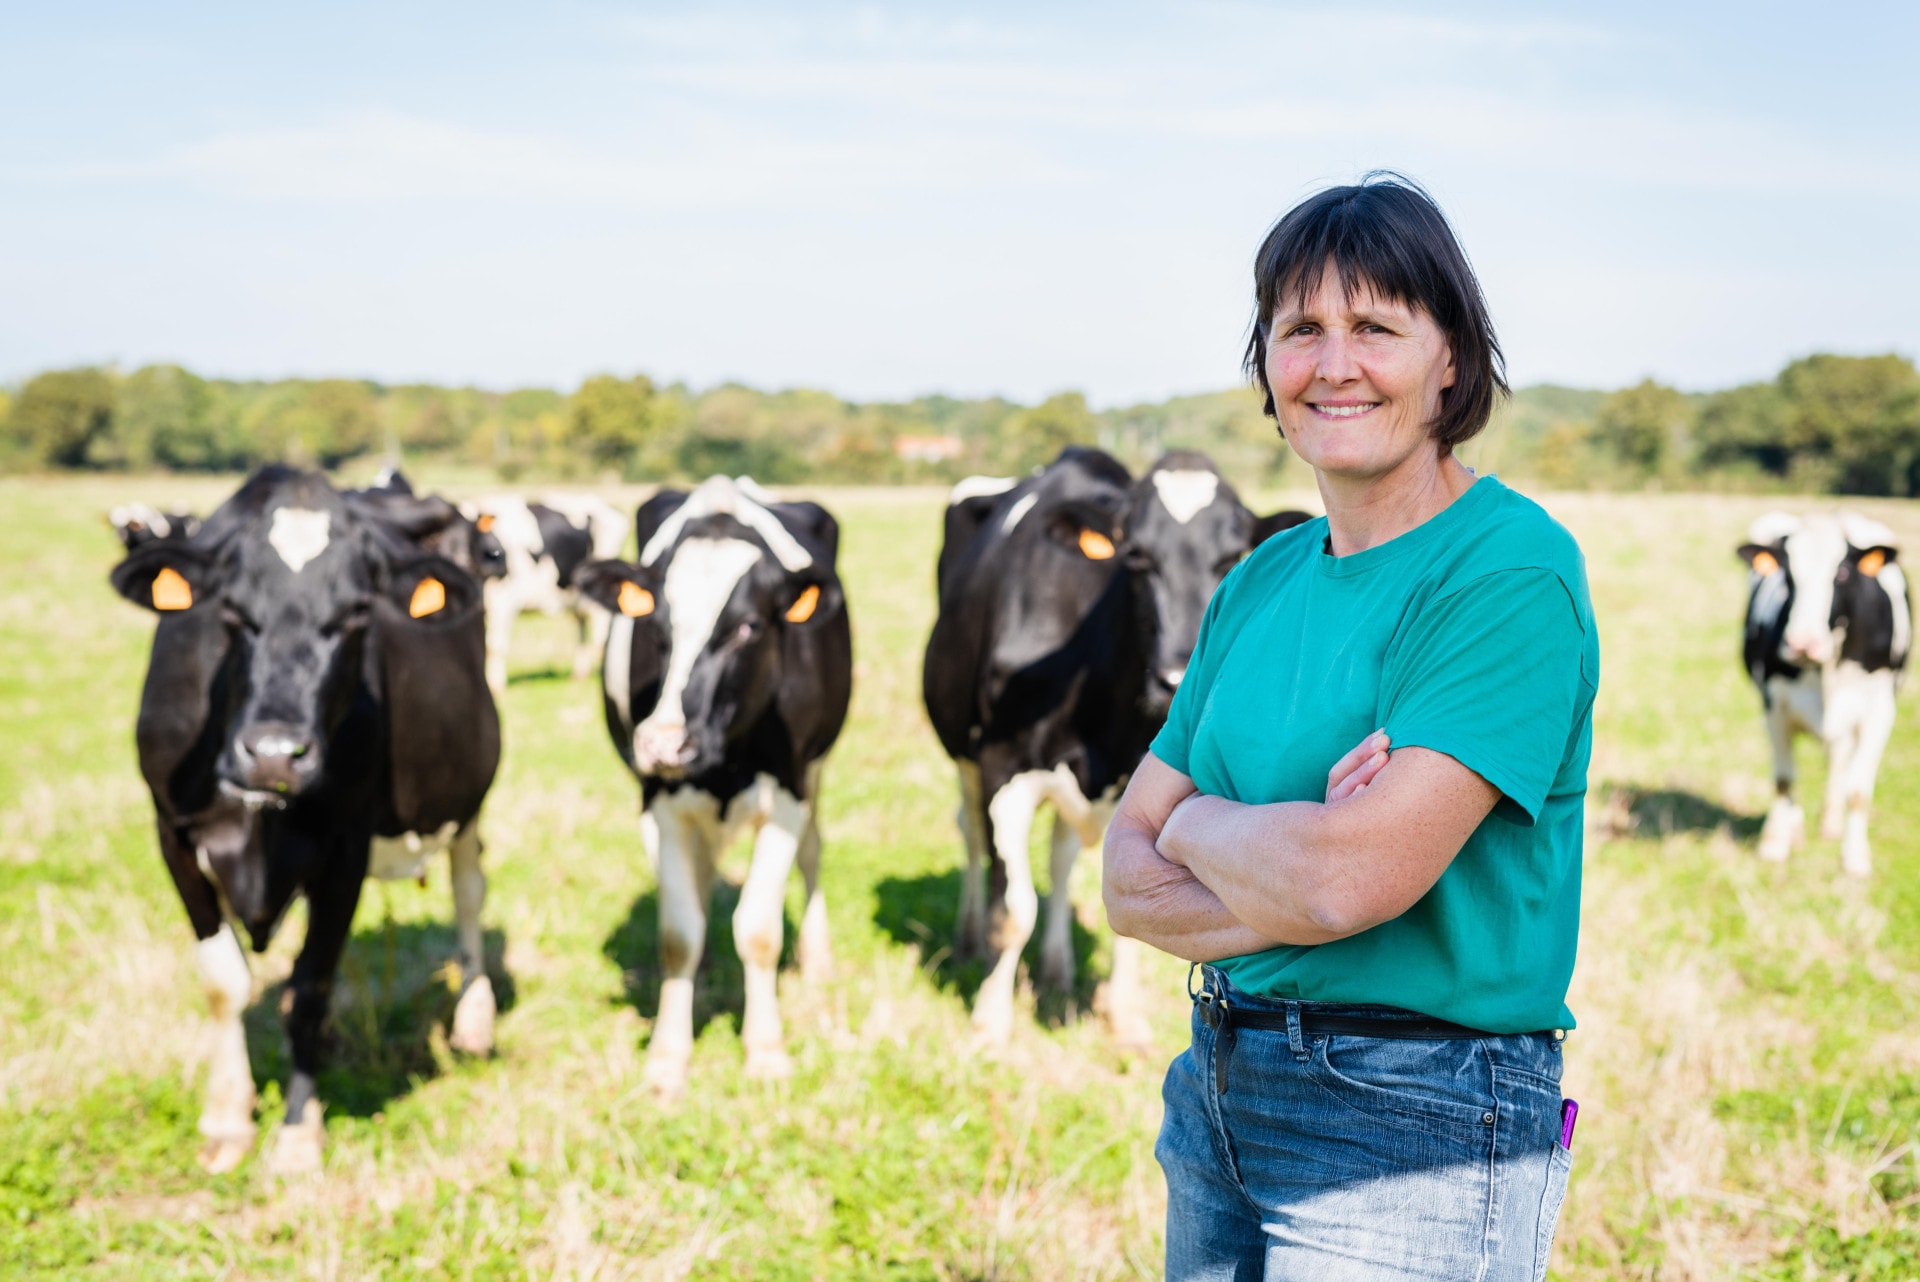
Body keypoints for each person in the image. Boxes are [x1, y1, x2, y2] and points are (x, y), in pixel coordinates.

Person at [1102, 174, 1597, 1281]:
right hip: (1217, 1085)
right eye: (1300, 330)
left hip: (1413, 1114)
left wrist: (1197, 825)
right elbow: (1125, 881)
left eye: (1375, 327)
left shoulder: (1507, 572)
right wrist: (1295, 856)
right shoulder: (1258, 579)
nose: (1334, 364)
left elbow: (1341, 882)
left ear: (1451, 358)